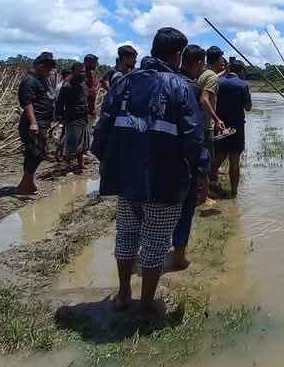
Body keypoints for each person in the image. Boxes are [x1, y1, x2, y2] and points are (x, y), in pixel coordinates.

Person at [92, 27, 203, 317]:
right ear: (177, 54)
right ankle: (147, 303)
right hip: (164, 181)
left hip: (126, 180)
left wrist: (112, 166)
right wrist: (200, 172)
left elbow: (102, 131)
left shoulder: (123, 83)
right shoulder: (181, 86)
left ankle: (123, 293)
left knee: (126, 234)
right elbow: (193, 138)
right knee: (155, 241)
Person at [171, 44, 211, 271]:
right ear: (198, 63)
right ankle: (179, 255)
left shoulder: (160, 82)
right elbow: (194, 133)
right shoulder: (191, 88)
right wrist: (202, 167)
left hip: (155, 156)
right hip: (182, 158)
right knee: (185, 209)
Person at [17, 52, 56, 195]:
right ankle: (24, 184)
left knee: (32, 153)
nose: (50, 71)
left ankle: (29, 183)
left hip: (42, 122)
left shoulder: (42, 80)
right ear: (39, 66)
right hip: (34, 123)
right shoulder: (30, 80)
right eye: (48, 68)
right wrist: (33, 123)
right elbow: (27, 102)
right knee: (38, 154)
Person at [214, 60, 252, 198]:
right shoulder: (243, 85)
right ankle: (234, 193)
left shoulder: (218, 82)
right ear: (241, 71)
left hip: (220, 125)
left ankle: (207, 186)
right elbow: (248, 107)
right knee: (235, 160)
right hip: (237, 127)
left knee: (219, 156)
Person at [196, 46, 227, 198]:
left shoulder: (204, 73)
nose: (223, 61)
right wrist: (217, 120)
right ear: (218, 59)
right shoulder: (212, 77)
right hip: (205, 125)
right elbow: (204, 99)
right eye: (221, 59)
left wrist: (224, 72)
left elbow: (212, 78)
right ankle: (204, 197)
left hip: (196, 123)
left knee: (199, 159)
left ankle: (201, 192)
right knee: (205, 161)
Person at [55, 62, 91, 172]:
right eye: (80, 71)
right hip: (72, 118)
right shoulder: (67, 86)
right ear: (74, 72)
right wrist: (59, 116)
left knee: (83, 144)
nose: (82, 73)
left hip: (83, 117)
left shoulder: (83, 84)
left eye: (83, 71)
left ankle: (80, 164)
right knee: (72, 144)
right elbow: (59, 103)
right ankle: (66, 166)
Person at [83, 54, 99, 119]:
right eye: (94, 63)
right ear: (87, 63)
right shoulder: (81, 74)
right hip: (83, 111)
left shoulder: (91, 73)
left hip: (90, 110)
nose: (95, 65)